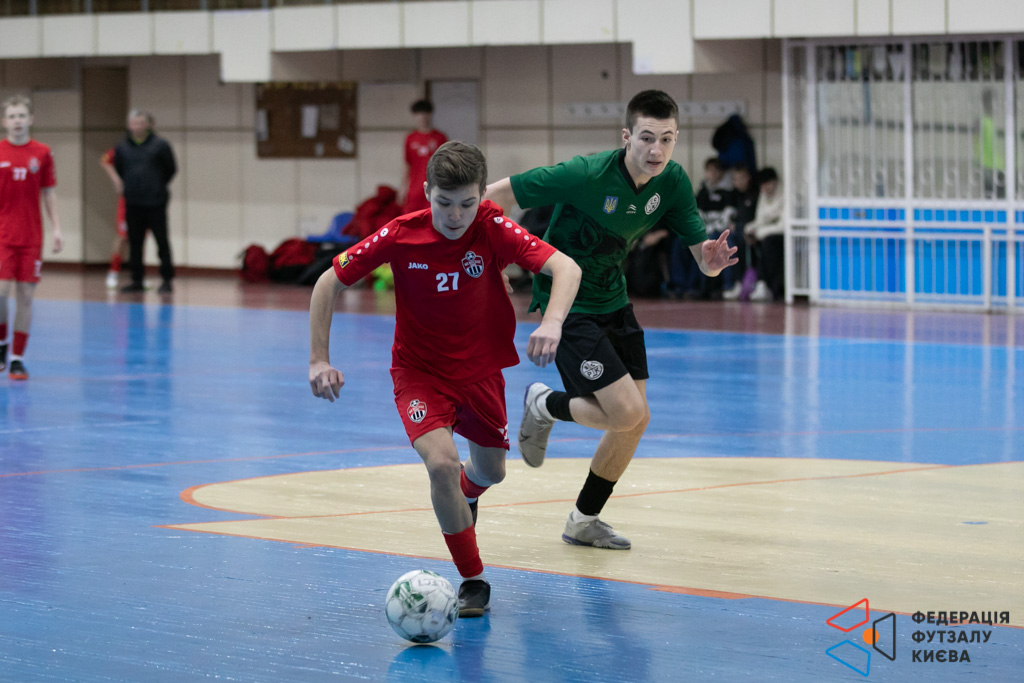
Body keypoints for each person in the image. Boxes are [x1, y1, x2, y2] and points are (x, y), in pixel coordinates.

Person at [308, 141, 581, 616]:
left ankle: (466, 492)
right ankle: (473, 578)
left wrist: (553, 322)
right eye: (444, 202)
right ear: (427, 192)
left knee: (490, 472)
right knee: (440, 464)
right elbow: (328, 281)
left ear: (482, 196)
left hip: (481, 372)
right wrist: (319, 359)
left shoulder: (491, 226)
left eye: (467, 203)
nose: (456, 215)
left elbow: (565, 267)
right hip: (420, 373)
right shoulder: (400, 234)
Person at [484, 90, 737, 550]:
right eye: (646, 138)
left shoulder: (672, 182)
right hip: (568, 304)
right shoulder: (585, 173)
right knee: (626, 413)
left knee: (635, 421)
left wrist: (712, 263)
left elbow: (702, 259)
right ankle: (545, 404)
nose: (656, 150)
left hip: (614, 301)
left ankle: (584, 519)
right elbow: (493, 197)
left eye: (667, 139)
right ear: (626, 137)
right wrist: (492, 261)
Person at [0, 94, 63, 381]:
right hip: (3, 235)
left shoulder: (43, 153)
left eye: (22, 116)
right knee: (1, 293)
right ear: (5, 121)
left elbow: (49, 192)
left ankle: (17, 359)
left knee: (25, 296)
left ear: (31, 120)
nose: (17, 121)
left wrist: (57, 228)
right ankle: (2, 341)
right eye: (12, 116)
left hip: (31, 237)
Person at [113, 110, 177, 294]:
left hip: (156, 201)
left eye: (141, 123)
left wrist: (156, 185)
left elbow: (171, 169)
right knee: (135, 243)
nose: (138, 126)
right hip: (133, 202)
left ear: (148, 125)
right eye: (134, 123)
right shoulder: (122, 147)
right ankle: (137, 280)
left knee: (161, 241)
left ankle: (166, 279)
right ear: (128, 125)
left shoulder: (160, 145)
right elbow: (119, 168)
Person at [399, 100, 448, 215]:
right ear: (414, 115)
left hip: (434, 188)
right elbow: (407, 164)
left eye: (425, 113)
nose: (422, 117)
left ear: (430, 114)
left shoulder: (440, 138)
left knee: (433, 219)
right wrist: (402, 188)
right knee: (410, 219)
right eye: (419, 113)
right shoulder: (410, 138)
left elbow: (446, 165)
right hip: (414, 190)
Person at [745, 167, 784, 301]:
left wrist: (760, 233)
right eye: (762, 185)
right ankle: (745, 283)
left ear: (775, 182)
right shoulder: (763, 195)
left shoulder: (786, 195)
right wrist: (749, 229)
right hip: (765, 234)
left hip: (781, 236)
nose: (764, 188)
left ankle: (765, 284)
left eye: (767, 184)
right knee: (744, 239)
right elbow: (760, 219)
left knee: (769, 243)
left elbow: (783, 226)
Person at [722, 162, 758, 300]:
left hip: (751, 232)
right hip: (737, 232)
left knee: (737, 242)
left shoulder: (755, 195)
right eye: (736, 179)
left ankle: (749, 282)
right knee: (727, 241)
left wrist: (741, 227)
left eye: (742, 178)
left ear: (748, 177)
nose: (739, 182)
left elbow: (756, 218)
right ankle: (736, 283)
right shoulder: (734, 196)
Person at [99, 148, 129, 289]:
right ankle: (113, 271)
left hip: (144, 198)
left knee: (140, 238)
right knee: (122, 237)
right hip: (127, 199)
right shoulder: (123, 147)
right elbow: (105, 160)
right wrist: (116, 179)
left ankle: (139, 275)